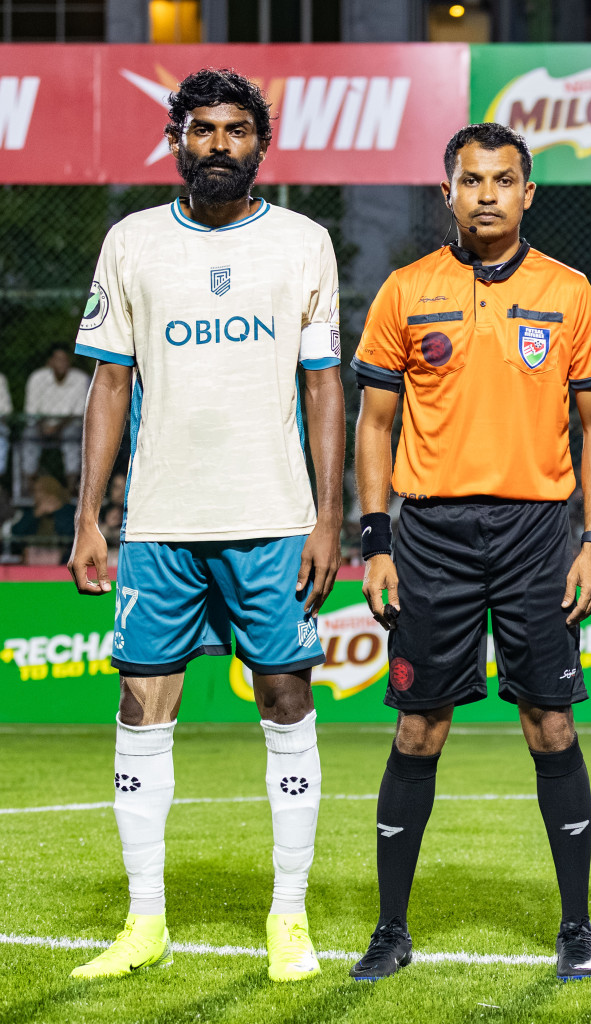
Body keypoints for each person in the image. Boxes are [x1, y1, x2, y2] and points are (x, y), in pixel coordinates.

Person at [65, 69, 344, 983]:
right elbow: (109, 382)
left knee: (286, 703)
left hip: (272, 521)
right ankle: (145, 923)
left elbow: (323, 388)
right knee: (142, 710)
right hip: (159, 522)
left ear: (260, 144)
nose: (218, 144)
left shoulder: (304, 243)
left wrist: (328, 516)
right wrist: (89, 518)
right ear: (176, 138)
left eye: (235, 130)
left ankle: (289, 916)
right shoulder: (132, 242)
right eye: (201, 130)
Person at [347, 124, 591, 982]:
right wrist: (376, 539)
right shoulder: (405, 290)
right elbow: (375, 426)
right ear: (448, 192)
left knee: (552, 724)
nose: (489, 193)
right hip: (428, 536)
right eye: (473, 180)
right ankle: (391, 927)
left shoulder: (569, 293)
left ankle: (576, 925)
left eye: (505, 179)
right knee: (420, 727)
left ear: (529, 193)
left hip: (539, 533)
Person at [21, 344, 91, 489]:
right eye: (57, 359)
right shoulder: (37, 378)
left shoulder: (81, 379)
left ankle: (72, 486)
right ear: (50, 361)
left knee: (72, 435)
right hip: (41, 425)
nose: (62, 363)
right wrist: (43, 426)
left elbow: (79, 414)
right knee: (29, 434)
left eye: (64, 359)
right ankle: (29, 485)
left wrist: (56, 427)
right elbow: (31, 411)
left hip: (69, 425)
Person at [14, 475, 76, 559]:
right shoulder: (32, 512)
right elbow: (16, 533)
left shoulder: (69, 511)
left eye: (38, 491)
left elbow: (69, 536)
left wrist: (57, 511)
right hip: (34, 558)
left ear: (50, 492)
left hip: (64, 560)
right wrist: (35, 515)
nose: (35, 495)